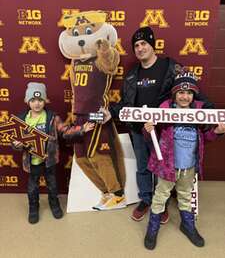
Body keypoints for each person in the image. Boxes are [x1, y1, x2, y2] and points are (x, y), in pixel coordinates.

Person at [104, 26, 214, 223]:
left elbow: (188, 90)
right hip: (139, 131)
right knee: (143, 167)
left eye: (144, 43)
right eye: (136, 45)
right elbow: (125, 104)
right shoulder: (131, 75)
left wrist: (211, 112)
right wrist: (109, 113)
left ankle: (160, 203)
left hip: (164, 131)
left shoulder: (170, 67)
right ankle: (146, 200)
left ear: (152, 45)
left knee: (163, 168)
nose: (140, 48)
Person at [143, 71, 225, 250]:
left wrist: (217, 132)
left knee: (185, 196)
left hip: (188, 167)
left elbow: (206, 138)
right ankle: (153, 228)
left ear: (193, 95)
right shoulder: (165, 110)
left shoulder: (199, 113)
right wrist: (148, 129)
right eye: (180, 92)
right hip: (167, 166)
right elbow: (152, 138)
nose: (184, 96)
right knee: (160, 197)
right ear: (174, 94)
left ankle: (187, 225)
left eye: (189, 93)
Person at [12, 82, 94, 224]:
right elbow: (15, 141)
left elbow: (65, 131)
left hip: (48, 160)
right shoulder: (21, 119)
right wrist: (16, 144)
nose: (37, 104)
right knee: (32, 187)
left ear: (45, 100)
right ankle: (33, 207)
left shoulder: (52, 117)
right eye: (33, 100)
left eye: (40, 100)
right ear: (27, 101)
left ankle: (54, 204)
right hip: (32, 162)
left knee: (52, 185)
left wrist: (81, 129)